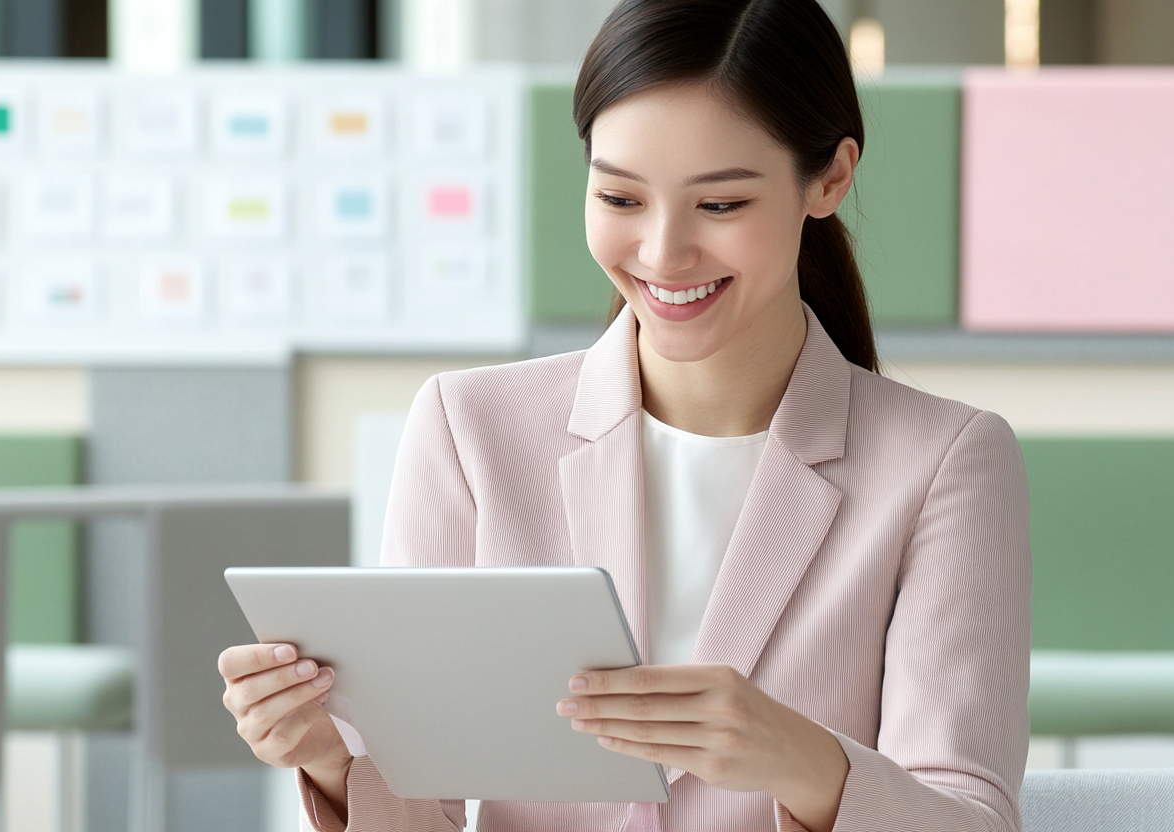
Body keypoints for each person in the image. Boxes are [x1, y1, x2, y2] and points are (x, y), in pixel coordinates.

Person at [218, 0, 1032, 829]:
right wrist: (333, 761)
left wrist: (797, 756)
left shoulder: (944, 463)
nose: (663, 252)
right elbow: (423, 801)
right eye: (619, 196)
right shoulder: (469, 431)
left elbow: (969, 818)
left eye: (721, 205)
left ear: (829, 179)